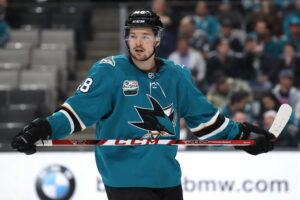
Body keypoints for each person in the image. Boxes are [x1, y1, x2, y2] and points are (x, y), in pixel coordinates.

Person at [11, 10, 275, 200]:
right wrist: (43, 128)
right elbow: (76, 113)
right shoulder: (108, 71)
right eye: (133, 36)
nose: (138, 42)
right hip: (125, 179)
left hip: (167, 178)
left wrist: (242, 136)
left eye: (146, 36)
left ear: (158, 40)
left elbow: (206, 122)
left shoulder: (177, 75)